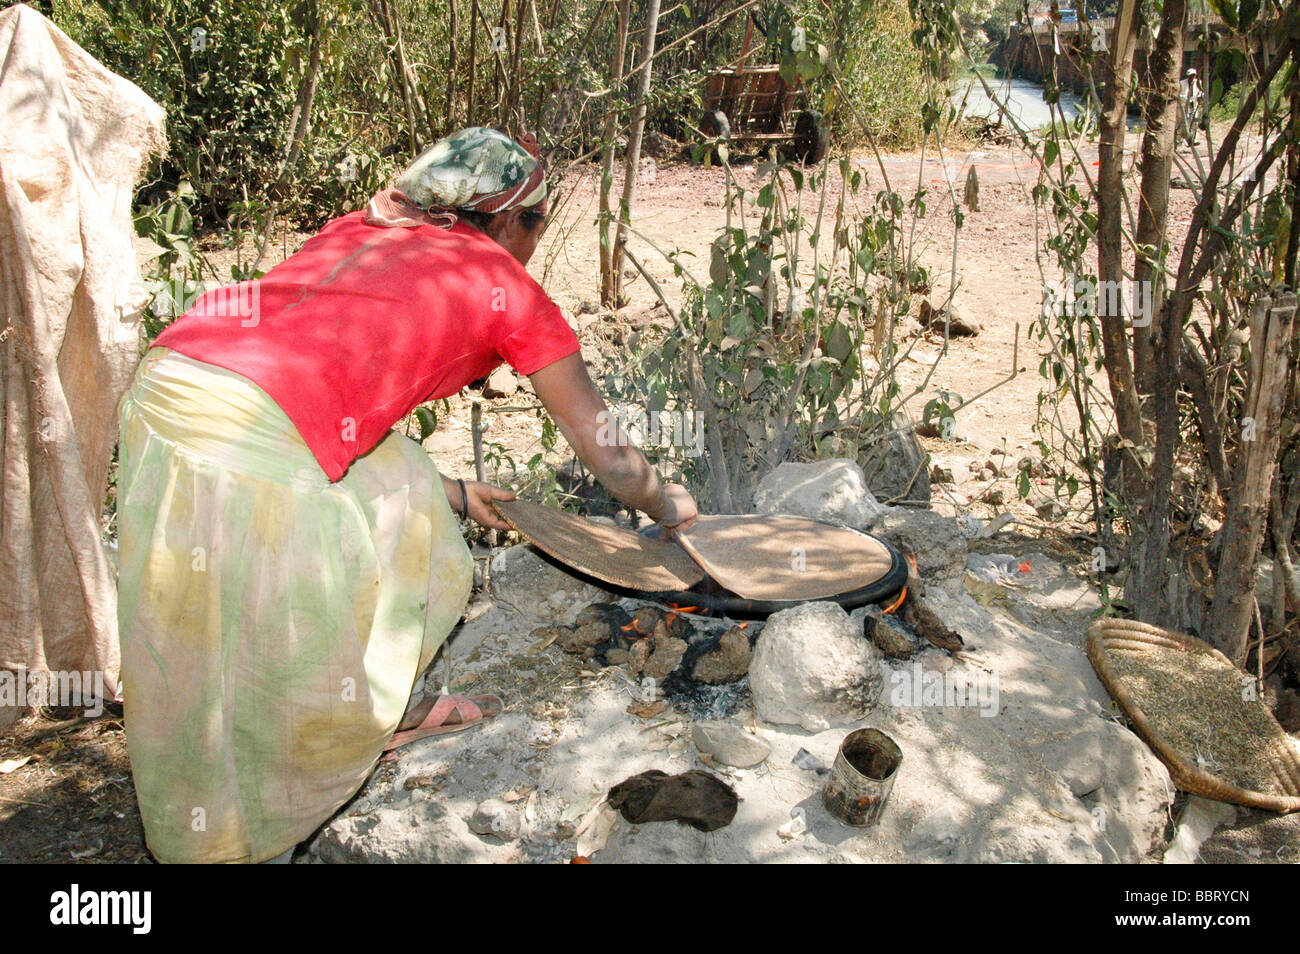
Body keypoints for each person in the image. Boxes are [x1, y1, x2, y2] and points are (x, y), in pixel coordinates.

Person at [116, 126, 698, 863]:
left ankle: (385, 709)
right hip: (253, 433)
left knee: (390, 487)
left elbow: (327, 374)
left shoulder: (370, 226)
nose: (537, 242)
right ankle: (257, 814)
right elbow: (611, 457)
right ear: (514, 219)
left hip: (170, 386)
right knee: (290, 611)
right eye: (539, 223)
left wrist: (455, 492)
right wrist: (664, 502)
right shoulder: (508, 289)